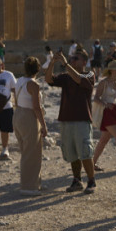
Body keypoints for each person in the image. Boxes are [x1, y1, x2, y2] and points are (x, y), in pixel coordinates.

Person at [46, 48, 97, 194]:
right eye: (72, 58)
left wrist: (66, 63)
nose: (73, 61)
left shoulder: (89, 74)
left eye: (76, 59)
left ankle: (91, 180)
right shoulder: (67, 76)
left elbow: (79, 80)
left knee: (85, 151)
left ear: (84, 62)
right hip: (66, 119)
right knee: (72, 152)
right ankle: (77, 180)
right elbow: (49, 79)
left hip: (82, 119)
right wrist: (52, 63)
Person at [13, 56, 48, 195]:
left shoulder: (19, 81)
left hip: (18, 114)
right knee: (32, 152)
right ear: (38, 69)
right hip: (29, 117)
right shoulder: (34, 85)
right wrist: (44, 125)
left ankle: (34, 183)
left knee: (26, 151)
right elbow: (36, 107)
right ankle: (29, 186)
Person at [92, 60, 116, 171]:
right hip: (106, 112)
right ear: (111, 70)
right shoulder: (104, 82)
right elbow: (95, 98)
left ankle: (92, 163)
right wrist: (106, 104)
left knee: (104, 140)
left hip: (115, 112)